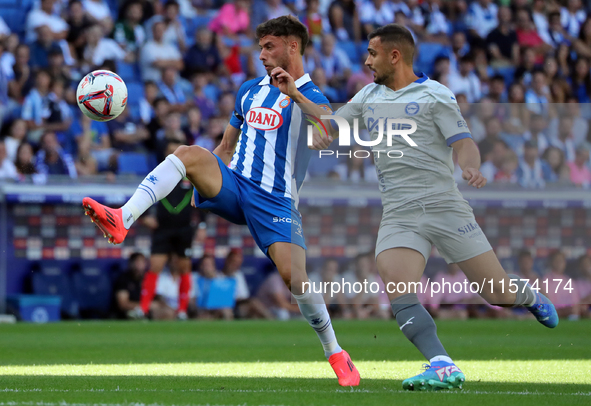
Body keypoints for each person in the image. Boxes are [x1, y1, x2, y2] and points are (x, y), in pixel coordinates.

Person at [81, 15, 359, 387]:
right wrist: (201, 181)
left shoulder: (313, 96)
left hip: (276, 201)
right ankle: (122, 218)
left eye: (269, 46)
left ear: (293, 46)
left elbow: (330, 127)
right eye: (260, 46)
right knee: (189, 153)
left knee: (295, 278)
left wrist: (294, 94)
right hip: (235, 184)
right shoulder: (248, 90)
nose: (260, 54)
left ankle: (336, 352)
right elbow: (226, 147)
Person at [315, 23, 559, 391]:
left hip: (445, 206)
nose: (366, 61)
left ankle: (525, 294)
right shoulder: (367, 96)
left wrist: (470, 165)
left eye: (372, 54)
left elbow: (463, 142)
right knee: (398, 289)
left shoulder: (436, 94)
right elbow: (332, 125)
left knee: (496, 293)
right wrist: (309, 112)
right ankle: (442, 364)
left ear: (394, 56)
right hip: (399, 213)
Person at [135, 140, 199, 321]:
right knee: (155, 265)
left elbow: (204, 199)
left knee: (184, 267)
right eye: (171, 152)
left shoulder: (191, 176)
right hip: (163, 229)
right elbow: (143, 194)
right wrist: (145, 216)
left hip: (184, 229)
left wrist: (201, 225)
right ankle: (143, 308)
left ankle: (182, 310)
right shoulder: (157, 176)